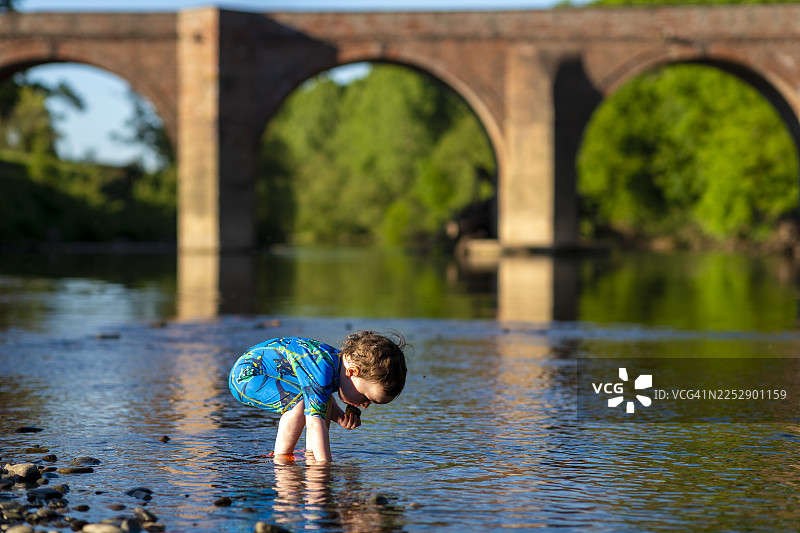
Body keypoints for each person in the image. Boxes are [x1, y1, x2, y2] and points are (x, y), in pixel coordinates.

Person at [229, 330, 407, 463]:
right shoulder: (322, 371)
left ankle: (311, 455)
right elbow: (314, 422)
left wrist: (338, 416)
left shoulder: (332, 365)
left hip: (262, 372)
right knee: (299, 405)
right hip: (247, 375)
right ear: (353, 372)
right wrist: (325, 467)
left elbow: (320, 398)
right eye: (367, 398)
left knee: (319, 403)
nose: (365, 405)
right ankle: (282, 459)